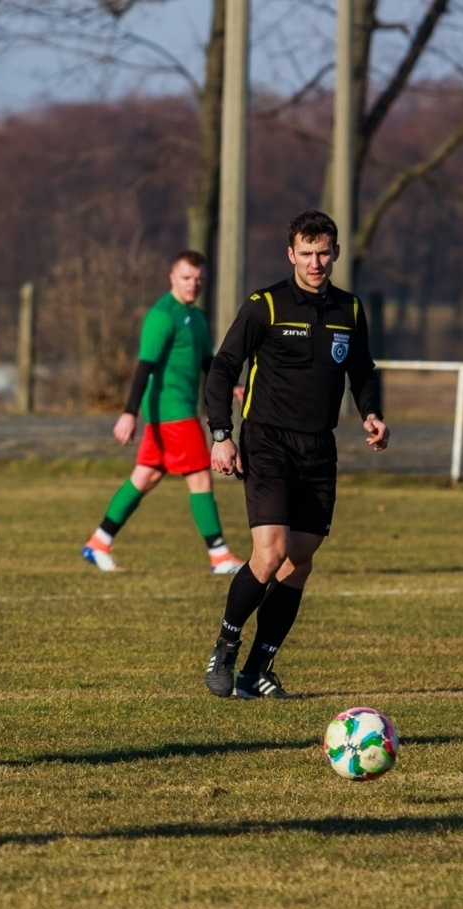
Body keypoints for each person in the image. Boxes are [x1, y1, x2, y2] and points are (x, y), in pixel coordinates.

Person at [201, 210, 388, 699]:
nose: (315, 261)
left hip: (318, 447)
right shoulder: (265, 304)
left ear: (336, 252)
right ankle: (225, 646)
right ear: (291, 255)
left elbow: (363, 370)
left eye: (323, 252)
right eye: (306, 253)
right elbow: (223, 367)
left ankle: (256, 670)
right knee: (270, 553)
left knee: (299, 560)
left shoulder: (350, 310)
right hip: (267, 441)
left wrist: (371, 411)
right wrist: (222, 434)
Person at [83, 250, 244, 575]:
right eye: (186, 278)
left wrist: (231, 386)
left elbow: (206, 363)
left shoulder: (196, 317)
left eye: (198, 279)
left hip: (177, 413)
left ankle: (99, 541)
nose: (192, 284)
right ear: (172, 278)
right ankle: (219, 556)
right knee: (201, 478)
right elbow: (144, 367)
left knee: (145, 477)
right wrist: (129, 413)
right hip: (172, 413)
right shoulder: (162, 315)